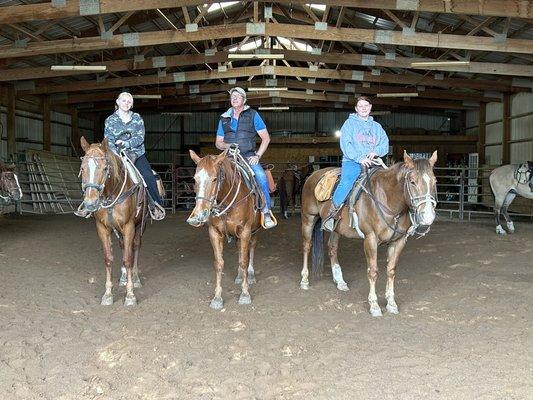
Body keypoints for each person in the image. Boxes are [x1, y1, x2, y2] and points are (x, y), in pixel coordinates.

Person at [75, 92, 165, 220]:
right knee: (99, 174)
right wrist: (116, 151)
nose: (126, 103)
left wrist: (126, 144)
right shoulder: (111, 120)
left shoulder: (137, 118)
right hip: (116, 154)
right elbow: (108, 140)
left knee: (148, 177)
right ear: (118, 102)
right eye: (124, 101)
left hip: (136, 154)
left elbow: (140, 138)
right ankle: (88, 204)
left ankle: (155, 205)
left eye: (129, 102)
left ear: (132, 104)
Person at [322, 96, 389, 231]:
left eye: (366, 106)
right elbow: (346, 144)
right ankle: (331, 214)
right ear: (356, 109)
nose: (363, 108)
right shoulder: (349, 124)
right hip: (353, 162)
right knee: (346, 183)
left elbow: (384, 144)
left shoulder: (377, 127)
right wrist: (359, 158)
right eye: (360, 106)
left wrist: (376, 151)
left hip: (373, 163)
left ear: (370, 108)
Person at [215, 87, 277, 229]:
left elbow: (266, 138)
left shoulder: (253, 115)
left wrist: (257, 156)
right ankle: (207, 210)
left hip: (248, 156)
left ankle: (266, 211)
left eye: (238, 96)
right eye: (232, 96)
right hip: (229, 157)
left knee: (261, 176)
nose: (234, 98)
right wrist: (228, 146)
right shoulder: (224, 118)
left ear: (244, 100)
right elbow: (218, 143)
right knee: (211, 176)